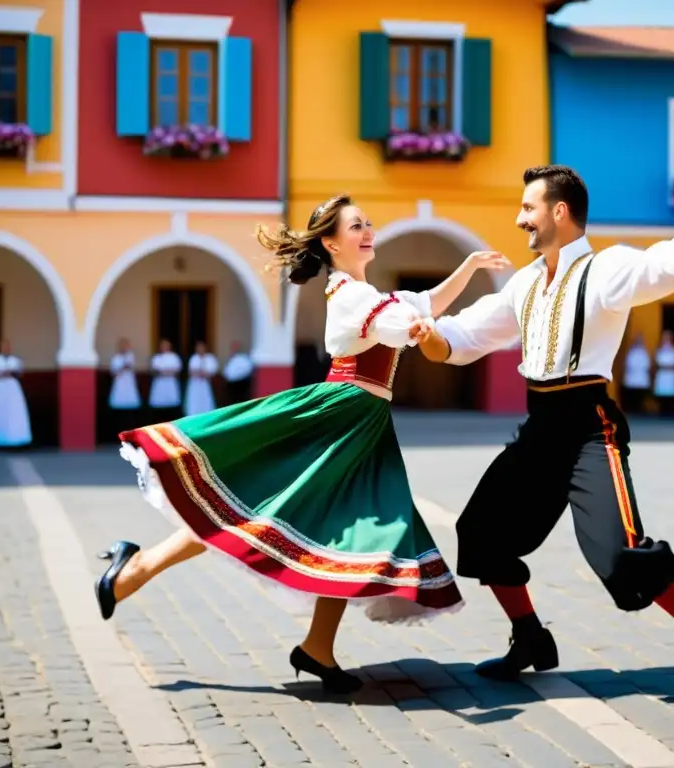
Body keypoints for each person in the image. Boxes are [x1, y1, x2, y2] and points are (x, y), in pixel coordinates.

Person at [93, 195, 509, 693]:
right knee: (296, 516)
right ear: (331, 243)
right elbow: (398, 324)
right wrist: (417, 329)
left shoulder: (366, 291)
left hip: (361, 421)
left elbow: (426, 304)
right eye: (357, 226)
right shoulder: (350, 294)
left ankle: (314, 646)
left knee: (335, 527)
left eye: (368, 223)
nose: (368, 230)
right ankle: (136, 572)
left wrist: (468, 266)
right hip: (337, 415)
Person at [412, 151, 674, 693]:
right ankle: (529, 638)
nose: (521, 219)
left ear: (560, 212)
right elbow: (459, 340)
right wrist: (422, 331)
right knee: (480, 531)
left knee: (620, 556)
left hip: (591, 426)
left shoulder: (608, 269)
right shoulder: (523, 286)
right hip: (540, 426)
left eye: (529, 208)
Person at [0, 339, 32, 448]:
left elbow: (19, 372)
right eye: (3, 346)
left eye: (7, 346)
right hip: (0, 386)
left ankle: (17, 438)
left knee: (14, 410)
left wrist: (10, 371)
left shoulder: (15, 360)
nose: (6, 348)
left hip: (12, 386)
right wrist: (7, 371)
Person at [108, 338, 141, 436]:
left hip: (129, 387)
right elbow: (113, 373)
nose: (124, 347)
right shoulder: (116, 358)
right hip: (119, 387)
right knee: (119, 413)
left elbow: (129, 366)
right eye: (122, 345)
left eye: (126, 345)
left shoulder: (131, 356)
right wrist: (122, 368)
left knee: (129, 413)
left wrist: (122, 369)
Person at [148, 340, 182, 422]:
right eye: (163, 345)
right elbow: (153, 370)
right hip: (159, 385)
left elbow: (177, 370)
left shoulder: (174, 357)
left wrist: (165, 372)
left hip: (170, 385)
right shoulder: (156, 357)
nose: (164, 347)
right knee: (159, 410)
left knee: (172, 409)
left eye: (166, 345)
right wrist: (164, 372)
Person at [184, 341, 219, 416]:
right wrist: (198, 373)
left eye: (201, 347)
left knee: (206, 402)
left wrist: (204, 373)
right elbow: (190, 371)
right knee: (194, 402)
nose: (200, 349)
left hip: (206, 384)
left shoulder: (210, 358)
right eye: (198, 348)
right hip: (194, 384)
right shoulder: (194, 358)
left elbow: (213, 370)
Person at [653, 331, 674, 417]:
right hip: (662, 374)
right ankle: (662, 410)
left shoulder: (673, 350)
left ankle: (671, 410)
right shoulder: (659, 350)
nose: (666, 340)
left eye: (668, 338)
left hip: (671, 374)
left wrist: (670, 366)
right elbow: (656, 361)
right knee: (662, 392)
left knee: (671, 392)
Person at [620, 334, 651, 413]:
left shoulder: (644, 352)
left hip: (641, 378)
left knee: (640, 396)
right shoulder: (631, 352)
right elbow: (627, 364)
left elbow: (647, 365)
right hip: (632, 378)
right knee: (632, 396)